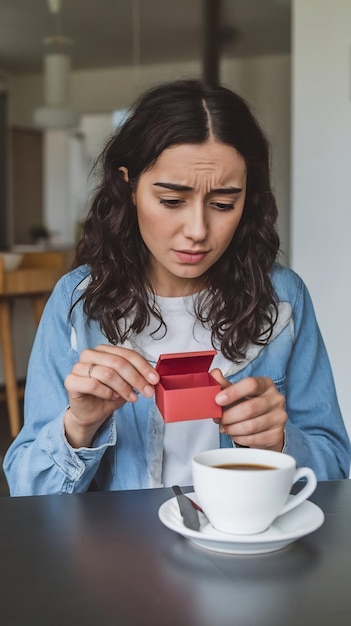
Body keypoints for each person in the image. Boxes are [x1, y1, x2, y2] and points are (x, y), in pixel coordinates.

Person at [3, 79, 350, 495]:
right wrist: (79, 426)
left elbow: (337, 468)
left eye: (224, 203)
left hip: (244, 551)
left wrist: (281, 442)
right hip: (121, 553)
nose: (198, 231)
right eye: (171, 201)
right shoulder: (77, 302)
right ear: (129, 186)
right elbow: (27, 489)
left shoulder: (283, 298)